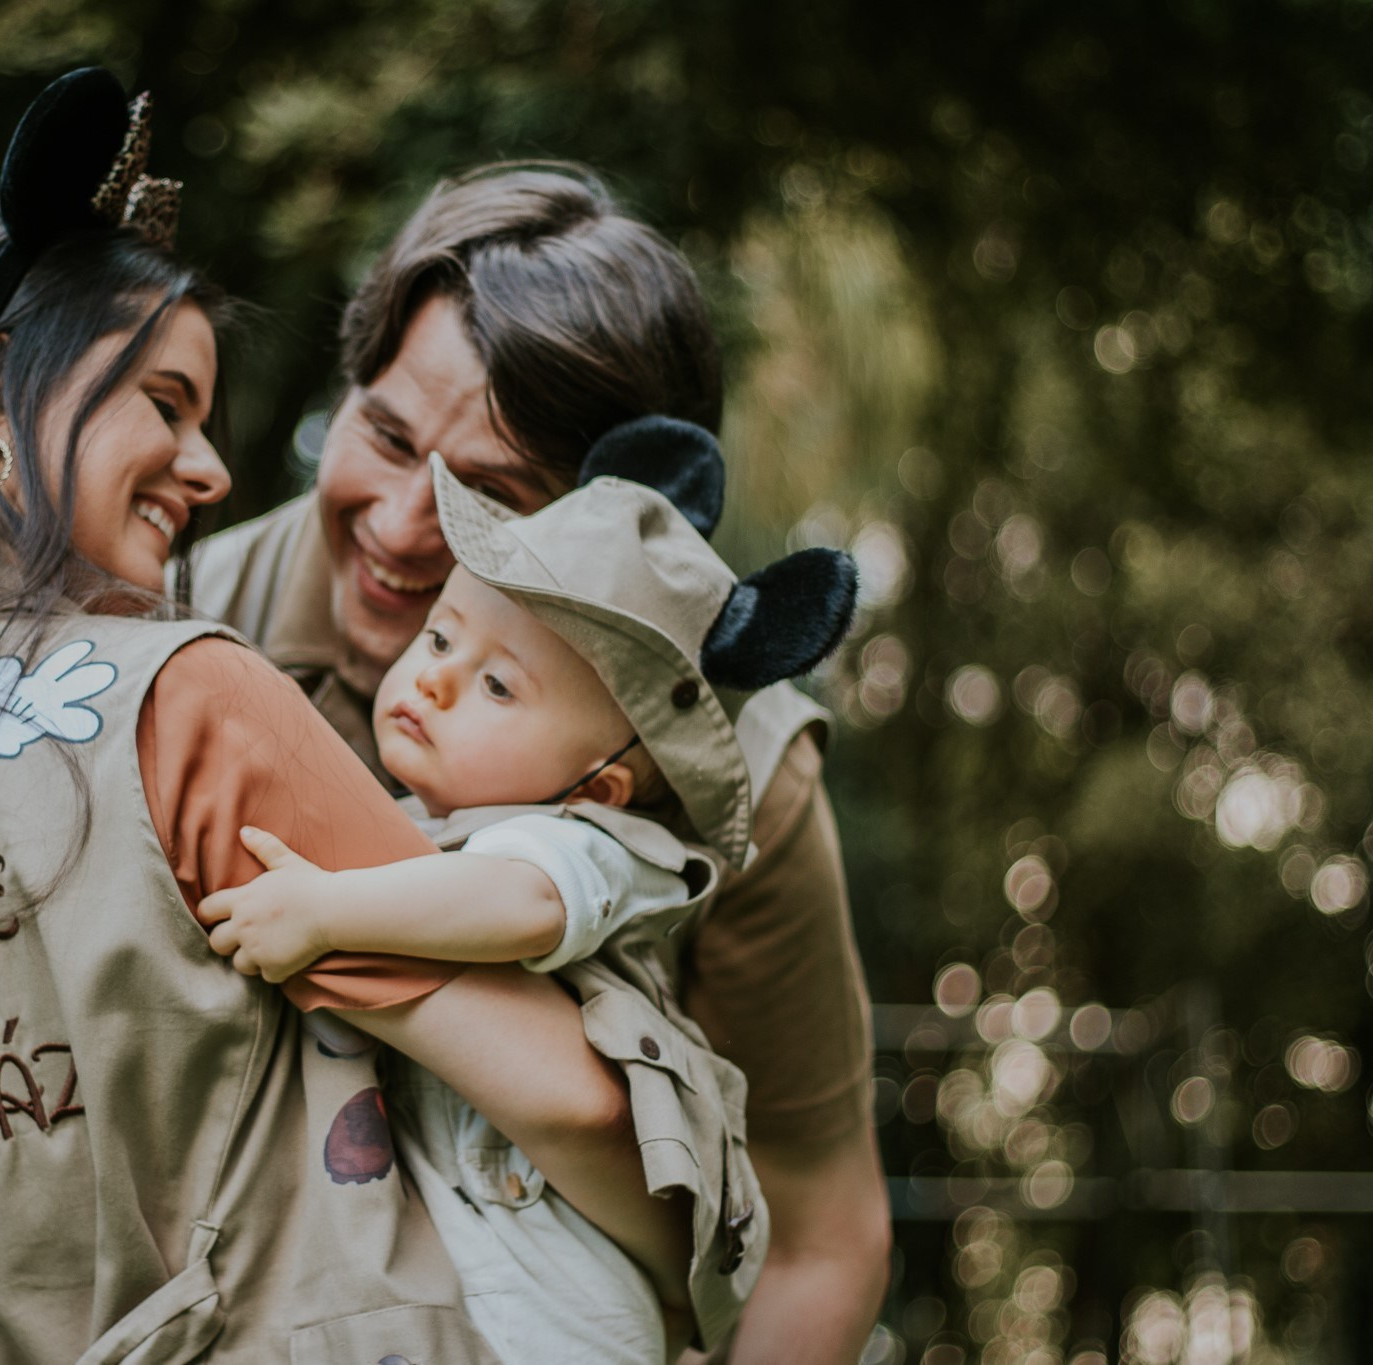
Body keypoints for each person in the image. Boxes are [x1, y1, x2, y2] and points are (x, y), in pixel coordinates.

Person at [0, 71, 679, 1363]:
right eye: (165, 404)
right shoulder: (182, 701)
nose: (214, 469)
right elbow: (573, 1102)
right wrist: (690, 1270)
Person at [190, 165, 893, 1362]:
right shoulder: (192, 626)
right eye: (386, 435)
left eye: (494, 497)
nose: (405, 525)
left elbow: (825, 1236)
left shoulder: (744, 773)